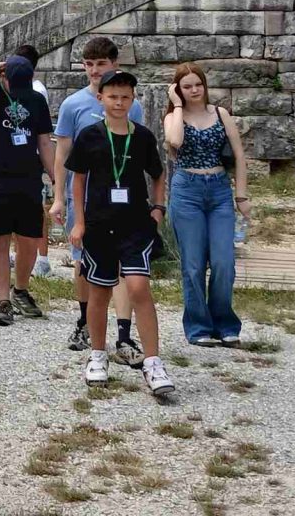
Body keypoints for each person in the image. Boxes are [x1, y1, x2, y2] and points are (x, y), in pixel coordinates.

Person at [66, 71, 174, 396]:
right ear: (101, 98)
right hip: (98, 225)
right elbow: (78, 181)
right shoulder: (89, 135)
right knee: (99, 291)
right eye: (113, 96)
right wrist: (79, 222)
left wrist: (157, 209)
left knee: (139, 288)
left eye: (125, 97)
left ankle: (153, 362)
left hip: (135, 225)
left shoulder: (141, 136)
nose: (119, 102)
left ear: (132, 99)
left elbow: (157, 174)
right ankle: (97, 355)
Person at [49, 36, 145, 365]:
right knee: (83, 262)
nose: (93, 70)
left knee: (120, 265)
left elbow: (139, 152)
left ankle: (123, 333)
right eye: (89, 65)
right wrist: (58, 196)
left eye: (100, 64)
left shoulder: (131, 104)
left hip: (122, 200)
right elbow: (63, 153)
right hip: (85, 197)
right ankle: (84, 321)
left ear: (113, 65)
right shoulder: (73, 105)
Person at [163, 63, 249, 346]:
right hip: (187, 190)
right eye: (186, 86)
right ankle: (198, 326)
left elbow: (238, 156)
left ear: (204, 85)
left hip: (219, 191)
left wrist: (242, 196)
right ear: (178, 89)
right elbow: (174, 141)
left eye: (197, 84)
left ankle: (224, 322)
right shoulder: (173, 117)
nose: (194, 90)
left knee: (224, 261)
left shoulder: (221, 114)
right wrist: (176, 106)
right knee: (194, 264)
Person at [0, 56, 55, 326]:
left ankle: (21, 289)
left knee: (29, 239)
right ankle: (3, 300)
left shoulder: (36, 100)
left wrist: (55, 179)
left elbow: (44, 141)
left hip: (27, 176)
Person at [14, 45, 53, 278]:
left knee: (36, 209)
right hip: (16, 156)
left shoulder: (36, 90)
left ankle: (43, 257)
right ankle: (20, 253)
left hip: (33, 156)